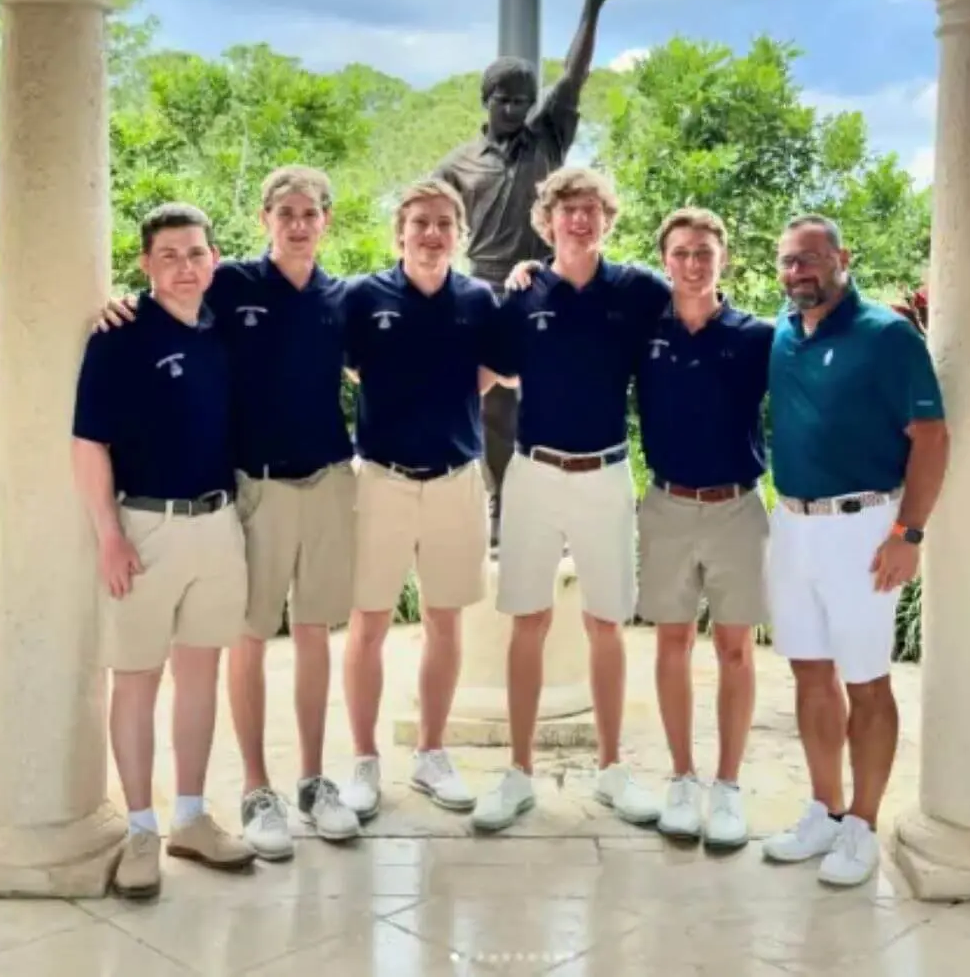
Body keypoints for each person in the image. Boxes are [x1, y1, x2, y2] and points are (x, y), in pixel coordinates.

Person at [96, 166, 361, 860]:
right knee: (244, 638)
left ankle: (311, 782)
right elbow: (160, 303)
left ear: (326, 220)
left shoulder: (343, 298)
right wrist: (113, 303)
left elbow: (398, 358)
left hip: (327, 481)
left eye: (311, 212)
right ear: (264, 218)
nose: (299, 223)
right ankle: (254, 789)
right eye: (286, 211)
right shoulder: (233, 284)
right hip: (255, 488)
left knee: (309, 636)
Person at [470, 166, 670, 834]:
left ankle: (614, 772)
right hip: (533, 474)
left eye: (591, 209)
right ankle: (520, 773)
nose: (579, 220)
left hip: (607, 474)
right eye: (568, 210)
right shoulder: (524, 294)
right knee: (528, 619)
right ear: (548, 221)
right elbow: (483, 374)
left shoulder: (640, 291)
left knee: (605, 623)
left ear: (607, 219)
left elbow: (699, 315)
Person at [73, 203, 254, 899]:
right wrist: (109, 537)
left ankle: (190, 817)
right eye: (169, 255)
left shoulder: (222, 331)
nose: (185, 267)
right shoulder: (118, 338)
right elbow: (89, 443)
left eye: (196, 253)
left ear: (214, 260)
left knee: (201, 675)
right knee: (138, 679)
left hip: (219, 525)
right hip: (144, 530)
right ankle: (142, 829)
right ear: (145, 264)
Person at [761, 214, 949, 887]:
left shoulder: (888, 335)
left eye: (809, 259)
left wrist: (910, 532)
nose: (797, 272)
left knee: (866, 682)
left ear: (842, 258)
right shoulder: (782, 334)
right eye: (787, 261)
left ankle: (863, 827)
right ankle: (825, 810)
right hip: (790, 525)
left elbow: (930, 436)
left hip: (864, 529)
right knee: (810, 673)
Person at [337, 179, 510, 823]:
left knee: (445, 621)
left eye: (444, 224)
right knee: (369, 623)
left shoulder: (477, 299)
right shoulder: (363, 297)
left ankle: (432, 753)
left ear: (459, 234)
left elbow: (492, 371)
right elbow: (353, 366)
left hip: (456, 482)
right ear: (399, 233)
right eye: (420, 224)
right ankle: (363, 762)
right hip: (380, 480)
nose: (432, 234)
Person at [434, 0, 614, 546]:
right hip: (483, 289)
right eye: (506, 100)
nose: (516, 109)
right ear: (487, 100)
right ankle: (498, 502)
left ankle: (551, 499)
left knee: (551, 388)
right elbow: (427, 217)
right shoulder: (458, 163)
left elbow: (577, 73)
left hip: (540, 282)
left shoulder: (548, 137)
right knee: (490, 405)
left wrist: (592, 6)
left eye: (524, 100)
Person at [634, 207, 774, 849]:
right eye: (682, 252)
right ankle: (683, 779)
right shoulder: (644, 327)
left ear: (724, 259)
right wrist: (525, 270)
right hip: (665, 506)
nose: (693, 264)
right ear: (665, 260)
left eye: (704, 253)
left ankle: (728, 786)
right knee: (671, 644)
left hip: (737, 509)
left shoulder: (756, 336)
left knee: (736, 651)